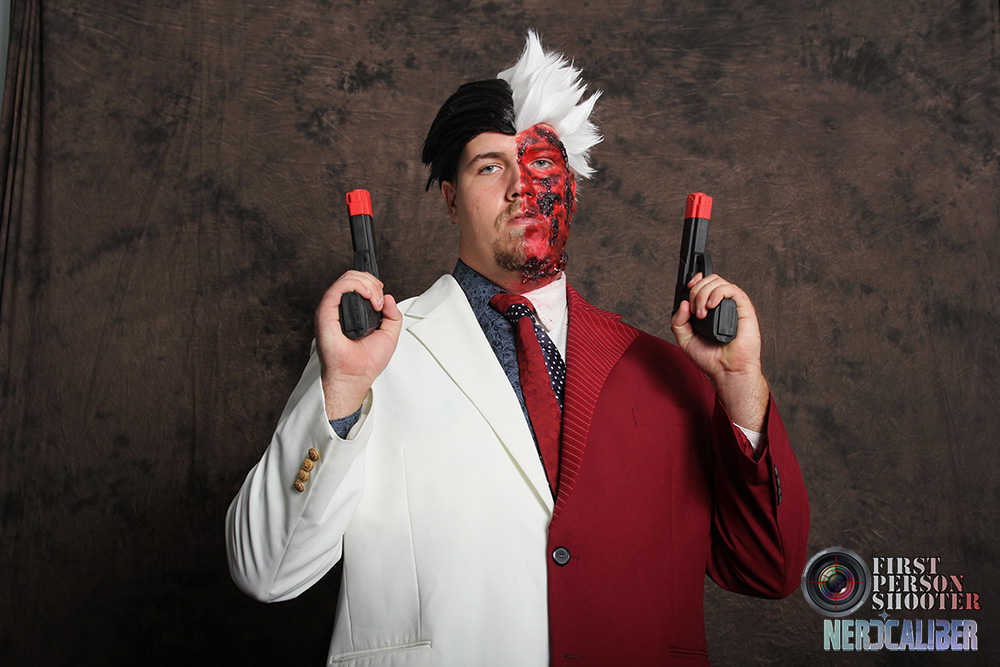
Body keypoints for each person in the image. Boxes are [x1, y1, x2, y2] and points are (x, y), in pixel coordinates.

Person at [226, 31, 809, 666]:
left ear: (572, 189)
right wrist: (340, 390)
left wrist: (742, 386)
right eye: (490, 166)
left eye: (541, 166)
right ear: (451, 199)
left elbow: (769, 568)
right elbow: (266, 572)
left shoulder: (671, 370)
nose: (520, 187)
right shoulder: (365, 356)